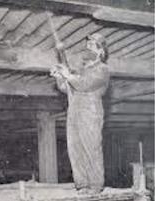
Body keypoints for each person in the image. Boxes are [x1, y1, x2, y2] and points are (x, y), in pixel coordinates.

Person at [50, 33, 110, 194]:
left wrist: (68, 75)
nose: (87, 47)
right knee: (75, 149)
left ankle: (95, 186)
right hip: (74, 111)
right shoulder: (82, 70)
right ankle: (82, 184)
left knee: (90, 147)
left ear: (101, 51)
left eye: (92, 45)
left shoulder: (102, 69)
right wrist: (60, 77)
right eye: (87, 44)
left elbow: (84, 85)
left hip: (90, 112)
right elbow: (67, 88)